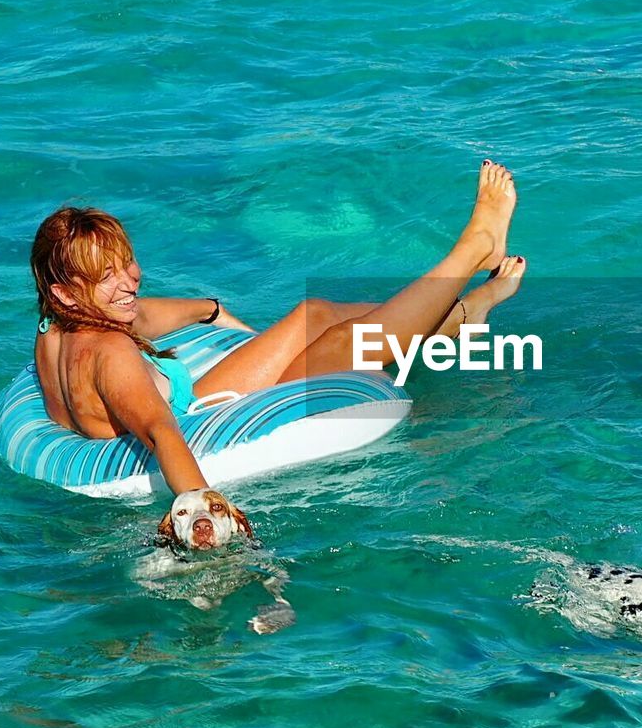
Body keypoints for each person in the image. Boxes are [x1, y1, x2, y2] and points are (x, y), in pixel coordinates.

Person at [29, 161, 523, 530]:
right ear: (65, 292)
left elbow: (143, 314)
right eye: (106, 276)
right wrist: (206, 510)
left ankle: (460, 314)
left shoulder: (54, 332)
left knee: (312, 315)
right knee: (343, 343)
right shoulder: (111, 356)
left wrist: (211, 309)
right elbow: (160, 432)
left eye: (126, 263)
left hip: (195, 401)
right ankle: (472, 250)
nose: (130, 281)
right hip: (205, 426)